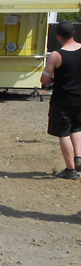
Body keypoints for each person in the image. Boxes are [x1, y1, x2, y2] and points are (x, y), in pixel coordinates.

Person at [41, 20, 81, 179]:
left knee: (63, 132)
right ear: (74, 33)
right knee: (77, 128)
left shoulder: (57, 55)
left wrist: (51, 78)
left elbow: (45, 80)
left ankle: (70, 170)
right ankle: (79, 157)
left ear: (58, 36)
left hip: (63, 98)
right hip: (80, 97)